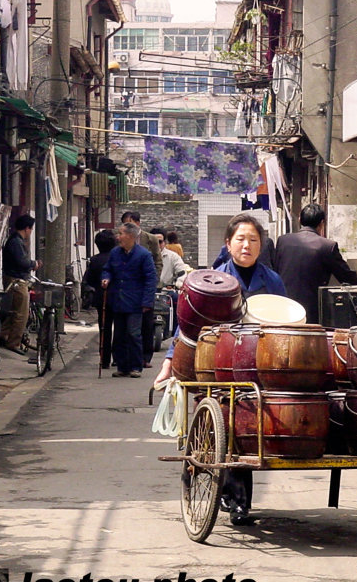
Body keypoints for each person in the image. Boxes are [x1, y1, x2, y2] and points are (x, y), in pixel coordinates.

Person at [154, 213, 286, 526]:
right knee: (226, 421)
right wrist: (169, 363)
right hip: (215, 366)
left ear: (261, 245)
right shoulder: (209, 282)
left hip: (258, 365)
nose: (247, 245)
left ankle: (237, 498)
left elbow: (284, 322)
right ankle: (235, 498)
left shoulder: (273, 280)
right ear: (227, 244)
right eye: (240, 239)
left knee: (250, 424)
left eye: (253, 240)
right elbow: (186, 329)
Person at [275, 203, 357, 324]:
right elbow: (345, 275)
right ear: (322, 223)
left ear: (300, 220)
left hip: (284, 307)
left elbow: (275, 270)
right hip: (312, 311)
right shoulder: (327, 246)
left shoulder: (283, 241)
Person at [101, 223, 158, 378]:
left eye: (121, 234)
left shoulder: (143, 255)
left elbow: (150, 279)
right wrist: (106, 278)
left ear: (131, 236)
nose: (118, 237)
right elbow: (108, 269)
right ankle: (122, 366)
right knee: (119, 335)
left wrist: (147, 302)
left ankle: (135, 366)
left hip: (135, 302)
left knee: (133, 334)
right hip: (118, 301)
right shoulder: (115, 253)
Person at [122, 210, 162, 368]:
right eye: (125, 223)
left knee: (146, 323)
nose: (128, 226)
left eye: (130, 223)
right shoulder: (121, 239)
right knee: (127, 325)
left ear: (138, 223)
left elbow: (158, 261)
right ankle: (127, 357)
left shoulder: (150, 239)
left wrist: (154, 281)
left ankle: (146, 356)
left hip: (146, 286)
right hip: (127, 289)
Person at [0, 214, 42, 355]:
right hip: (16, 280)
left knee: (12, 311)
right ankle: (13, 342)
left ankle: (2, 335)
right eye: (31, 229)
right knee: (21, 313)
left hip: (13, 278)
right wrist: (33, 264)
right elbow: (21, 262)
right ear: (27, 228)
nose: (30, 232)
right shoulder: (16, 242)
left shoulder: (14, 240)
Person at [82, 229, 116, 370]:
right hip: (118, 297)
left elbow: (88, 280)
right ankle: (118, 358)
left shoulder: (94, 260)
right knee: (120, 328)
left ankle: (104, 359)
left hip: (101, 298)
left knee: (104, 328)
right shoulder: (118, 258)